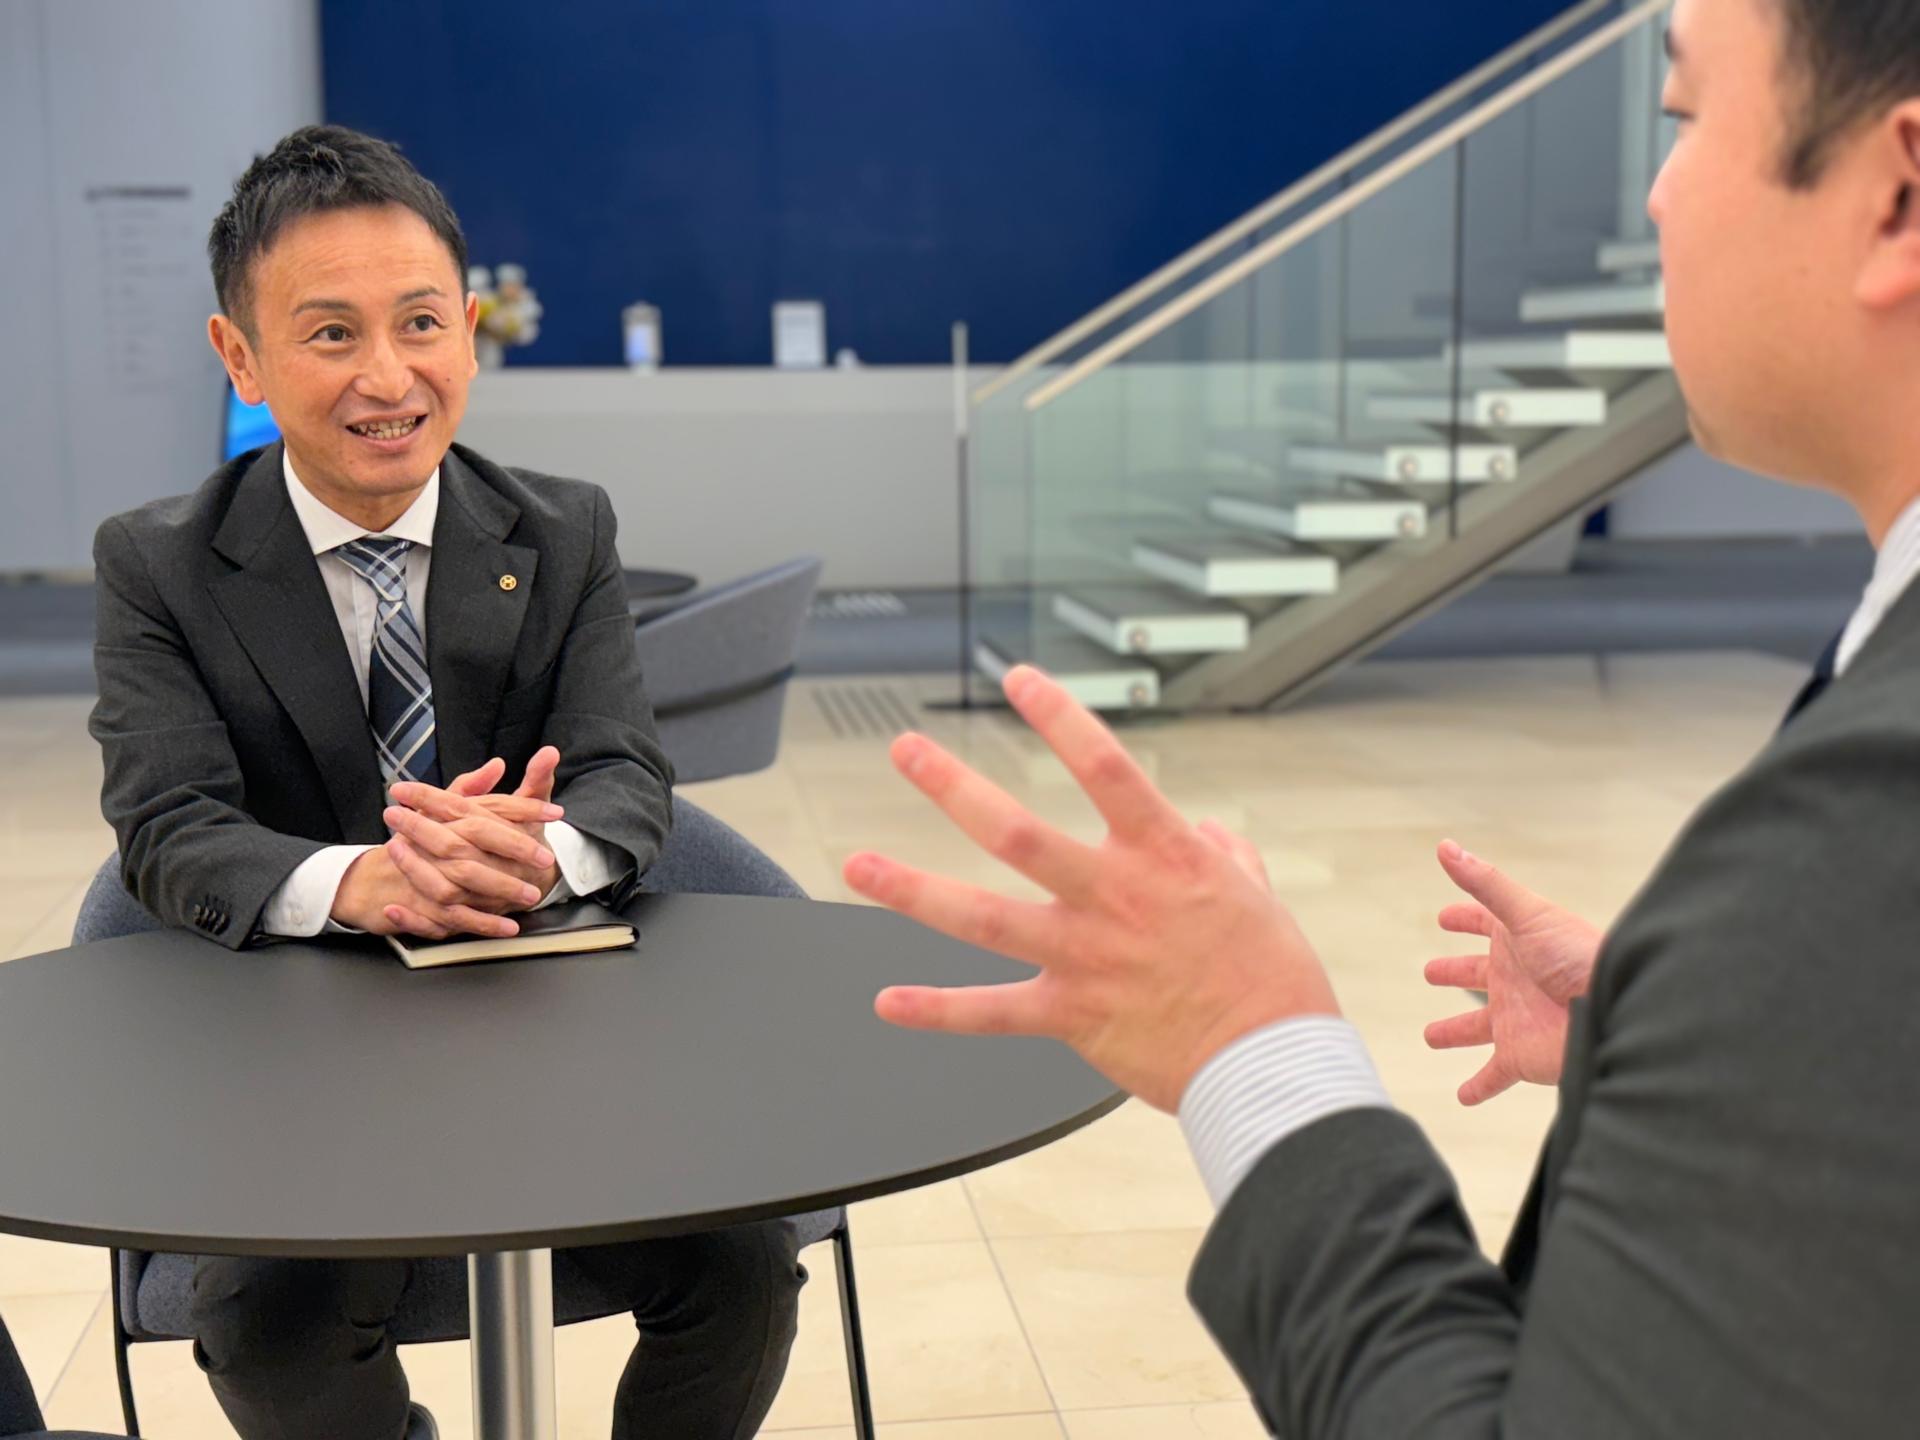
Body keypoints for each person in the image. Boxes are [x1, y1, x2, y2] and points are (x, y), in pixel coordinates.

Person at [843, 0, 1920, 1433]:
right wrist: (1704, 1031)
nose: (1657, 194)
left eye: (1683, 118)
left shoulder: (1867, 821)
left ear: (1898, 196)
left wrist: (1247, 1036)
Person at [88, 125, 801, 1440]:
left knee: (745, 1271)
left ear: (468, 333)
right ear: (240, 357)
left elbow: (624, 771)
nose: (389, 376)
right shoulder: (161, 566)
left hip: (548, 1026)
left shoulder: (564, 528)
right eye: (330, 333)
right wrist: (363, 880)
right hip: (297, 1058)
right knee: (268, 1328)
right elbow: (168, 823)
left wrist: (537, 856)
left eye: (421, 323)